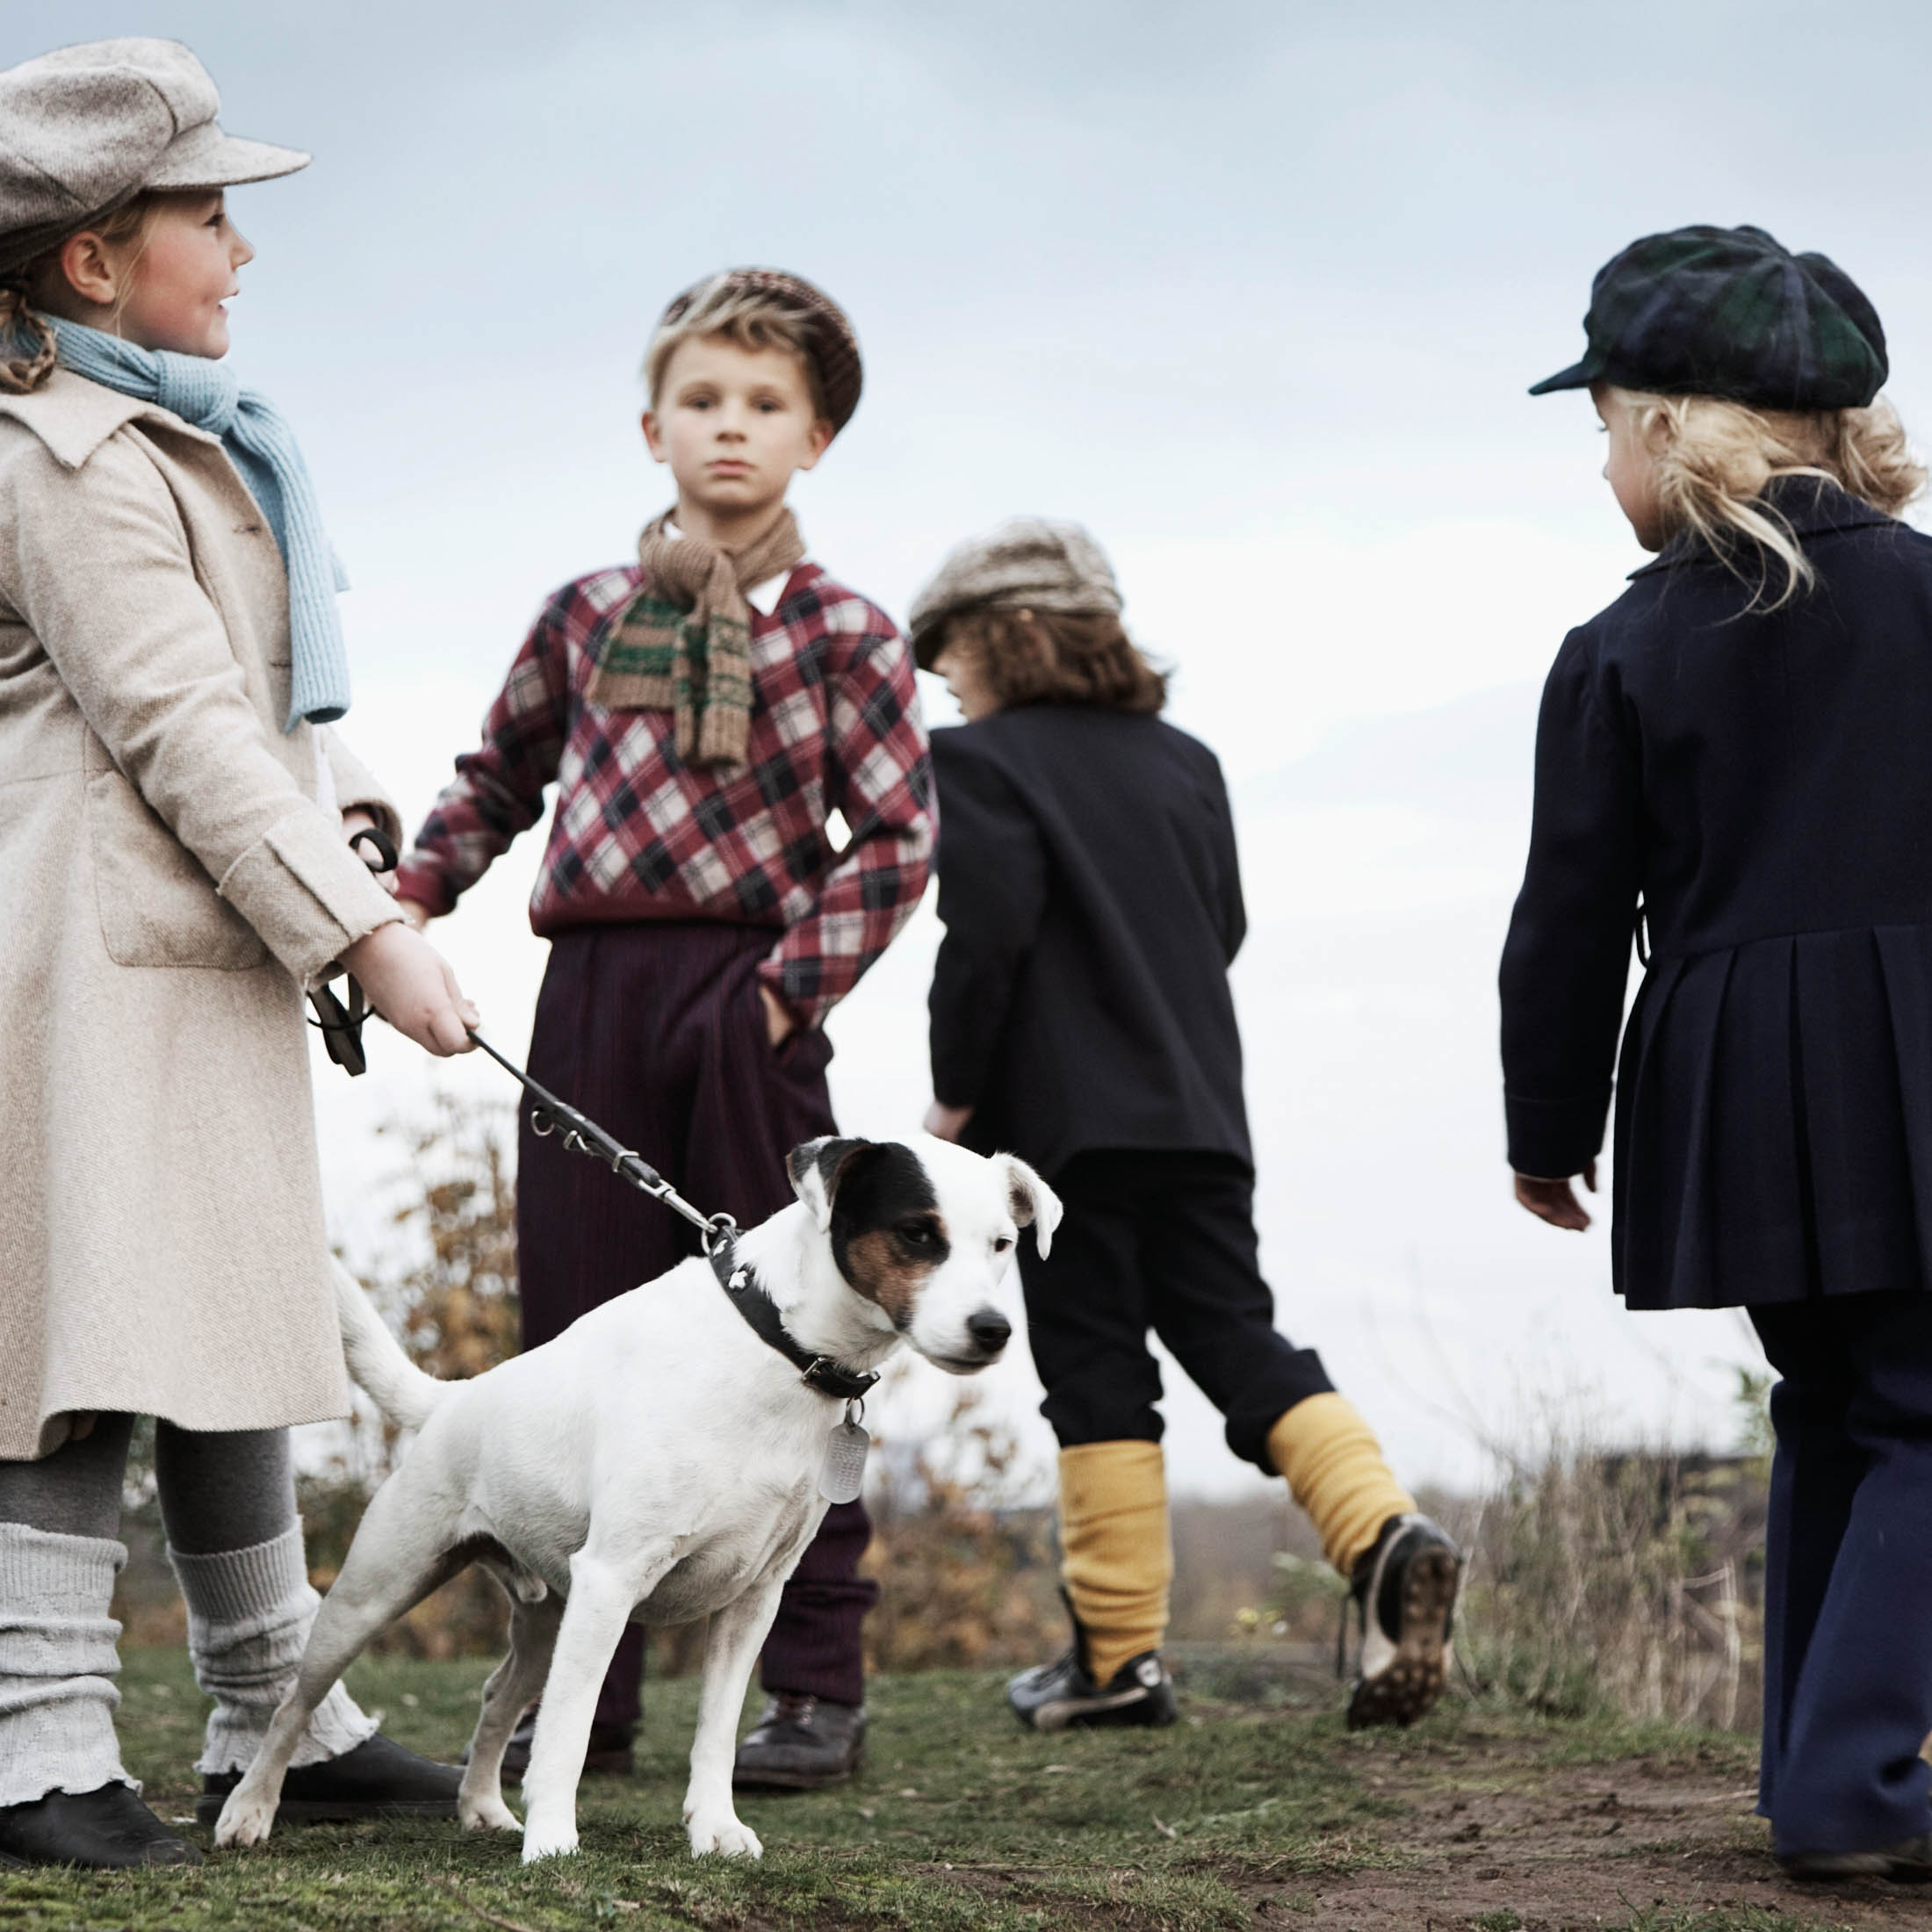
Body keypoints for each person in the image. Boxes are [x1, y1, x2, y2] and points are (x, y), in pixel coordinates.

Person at [0, 39, 481, 1870]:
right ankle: (35, 1745)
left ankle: (281, 1703)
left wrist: (349, 810)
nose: (242, 251)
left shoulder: (158, 433)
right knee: (72, 1336)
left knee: (221, 1317)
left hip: (182, 941)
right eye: (211, 213)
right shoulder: (63, 461)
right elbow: (175, 718)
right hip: (84, 957)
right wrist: (362, 934)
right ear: (94, 261)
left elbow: (246, 704)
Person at [393, 268, 933, 1791]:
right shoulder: (584, 616)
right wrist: (405, 901)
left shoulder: (845, 631)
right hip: (594, 1000)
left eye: (767, 405)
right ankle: (592, 1706)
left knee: (805, 1337)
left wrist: (786, 990)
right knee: (580, 1327)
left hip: (754, 999)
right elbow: (495, 781)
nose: (732, 429)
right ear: (652, 424)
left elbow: (894, 837)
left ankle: (814, 1685)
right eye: (703, 400)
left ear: (816, 436)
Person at [1502, 223, 1932, 1882]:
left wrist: (1548, 1126)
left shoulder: (1616, 647)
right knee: (1919, 1407)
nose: (1601, 462)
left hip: (1732, 1075)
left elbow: (1566, 919)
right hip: (1909, 1061)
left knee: (1834, 1402)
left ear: (1680, 427)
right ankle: (1852, 1793)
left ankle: (1814, 1778)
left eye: (1604, 424)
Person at [911, 519, 1460, 1732]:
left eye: (948, 648)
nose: (940, 677)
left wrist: (953, 1095)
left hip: (1063, 1130)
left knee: (1098, 1366)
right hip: (1201, 1112)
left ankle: (1119, 1664)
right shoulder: (1190, 761)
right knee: (1233, 1333)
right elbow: (1223, 929)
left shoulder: (977, 760)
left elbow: (985, 935)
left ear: (1017, 629)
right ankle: (1378, 1531)